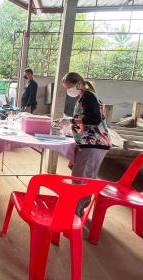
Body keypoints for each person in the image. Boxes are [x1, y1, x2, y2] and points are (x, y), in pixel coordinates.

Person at [61, 72, 111, 215]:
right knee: (81, 177)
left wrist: (71, 121)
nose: (68, 91)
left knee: (82, 180)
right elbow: (86, 117)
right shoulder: (84, 97)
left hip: (95, 143)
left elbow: (94, 119)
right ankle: (76, 210)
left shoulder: (88, 96)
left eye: (69, 87)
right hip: (89, 143)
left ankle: (75, 214)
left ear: (78, 84)